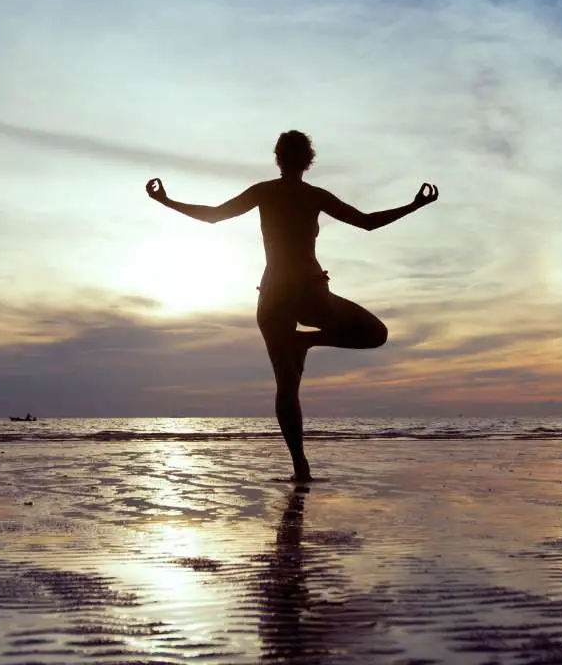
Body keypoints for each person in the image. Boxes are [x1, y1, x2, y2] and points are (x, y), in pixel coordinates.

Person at [145, 130, 439, 481]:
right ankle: (308, 341)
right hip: (309, 293)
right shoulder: (311, 195)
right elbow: (367, 222)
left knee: (287, 386)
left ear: (278, 158)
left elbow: (214, 216)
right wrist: (414, 206)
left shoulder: (265, 192)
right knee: (376, 333)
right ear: (308, 161)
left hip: (272, 298)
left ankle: (301, 467)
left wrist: (167, 201)